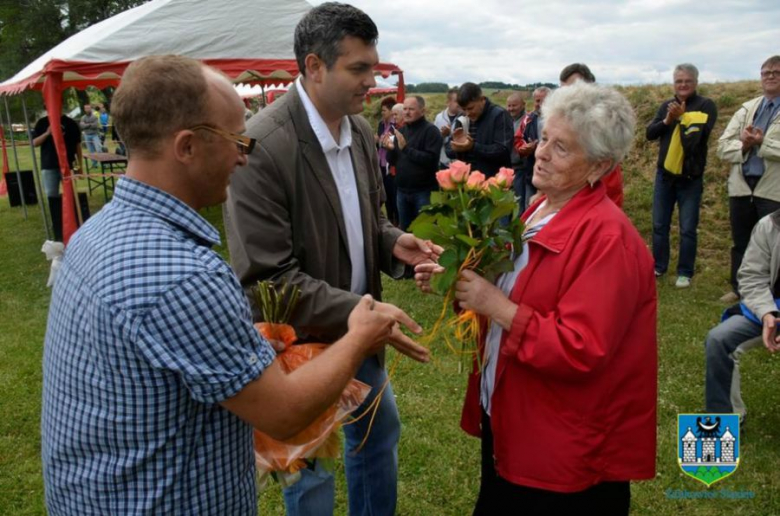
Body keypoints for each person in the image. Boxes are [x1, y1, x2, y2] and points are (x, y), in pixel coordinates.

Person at [41, 54, 414, 516]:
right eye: (236, 139)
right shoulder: (185, 275)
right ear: (186, 147)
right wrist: (360, 334)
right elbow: (285, 412)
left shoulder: (99, 232)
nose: (243, 154)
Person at [223, 4, 437, 515]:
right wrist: (363, 317)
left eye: (375, 67)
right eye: (359, 69)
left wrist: (394, 245)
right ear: (314, 67)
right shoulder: (262, 147)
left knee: (376, 436)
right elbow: (265, 281)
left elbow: (368, 220)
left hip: (358, 332)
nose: (374, 81)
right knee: (311, 476)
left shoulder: (359, 130)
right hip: (299, 348)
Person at [417, 83, 657, 514]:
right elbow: (514, 286)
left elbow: (581, 348)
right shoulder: (539, 211)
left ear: (599, 167)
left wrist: (496, 305)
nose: (541, 152)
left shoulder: (608, 239)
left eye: (561, 147)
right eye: (545, 137)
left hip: (562, 452)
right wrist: (460, 278)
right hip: (517, 424)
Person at [704, 209, 780, 422]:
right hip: (769, 310)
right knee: (719, 340)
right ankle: (724, 422)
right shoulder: (769, 225)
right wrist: (767, 313)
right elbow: (751, 276)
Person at [646, 63, 717, 288]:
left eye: (687, 81)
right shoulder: (667, 105)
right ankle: (658, 266)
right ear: (673, 84)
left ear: (695, 82)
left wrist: (682, 118)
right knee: (659, 224)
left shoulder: (706, 106)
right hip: (665, 176)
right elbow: (650, 133)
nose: (683, 85)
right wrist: (667, 120)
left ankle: (685, 272)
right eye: (679, 81)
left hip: (690, 178)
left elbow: (696, 141)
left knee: (687, 228)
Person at [717, 55, 780, 303]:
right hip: (742, 187)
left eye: (776, 72)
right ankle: (739, 288)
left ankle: (771, 293)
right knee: (741, 241)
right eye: (766, 72)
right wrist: (743, 145)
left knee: (773, 245)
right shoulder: (747, 109)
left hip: (772, 189)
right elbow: (722, 147)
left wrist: (763, 142)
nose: (771, 76)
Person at [560, 63, 625, 208]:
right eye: (563, 91)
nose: (566, 96)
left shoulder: (605, 119)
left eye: (572, 89)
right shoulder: (565, 118)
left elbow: (608, 181)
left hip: (601, 193)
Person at [383, 95, 443, 231]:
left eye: (411, 109)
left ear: (422, 111)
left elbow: (431, 160)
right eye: (404, 109)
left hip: (423, 192)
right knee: (405, 231)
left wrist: (406, 149)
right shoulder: (402, 131)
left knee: (425, 232)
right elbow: (392, 161)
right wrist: (391, 150)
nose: (407, 112)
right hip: (402, 191)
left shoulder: (431, 131)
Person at [446, 82, 513, 178]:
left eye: (470, 108)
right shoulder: (462, 117)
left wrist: (473, 147)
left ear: (482, 99)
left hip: (494, 183)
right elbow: (448, 150)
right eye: (463, 109)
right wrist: (456, 147)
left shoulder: (499, 115)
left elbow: (503, 150)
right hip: (468, 183)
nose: (467, 113)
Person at [32, 112, 82, 241]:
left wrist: (79, 166)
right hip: (49, 165)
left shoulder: (70, 123)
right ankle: (56, 223)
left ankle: (73, 221)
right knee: (51, 195)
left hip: (68, 165)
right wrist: (47, 133)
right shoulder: (42, 122)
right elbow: (34, 143)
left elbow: (78, 146)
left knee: (71, 194)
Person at [514, 87, 550, 209]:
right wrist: (524, 149)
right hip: (531, 173)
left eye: (544, 101)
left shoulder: (558, 120)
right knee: (529, 208)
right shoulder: (528, 119)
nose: (539, 105)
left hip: (552, 175)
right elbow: (518, 140)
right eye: (537, 101)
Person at [376, 95, 398, 225]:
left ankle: (397, 221)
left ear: (391, 111)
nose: (382, 113)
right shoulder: (381, 124)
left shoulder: (396, 126)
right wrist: (378, 141)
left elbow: (393, 144)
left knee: (393, 194)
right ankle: (391, 220)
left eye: (384, 110)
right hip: (381, 165)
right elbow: (380, 141)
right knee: (386, 196)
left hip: (391, 166)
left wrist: (382, 142)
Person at [506, 92, 527, 208]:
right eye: (509, 106)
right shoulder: (505, 120)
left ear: (523, 105)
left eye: (514, 105)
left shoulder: (527, 121)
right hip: (506, 168)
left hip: (520, 169)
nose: (511, 109)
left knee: (518, 203)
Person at [434, 87, 462, 169]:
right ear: (448, 102)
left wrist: (451, 134)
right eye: (457, 101)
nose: (460, 103)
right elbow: (434, 141)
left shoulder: (466, 117)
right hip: (444, 163)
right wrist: (442, 135)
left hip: (461, 164)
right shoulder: (439, 118)